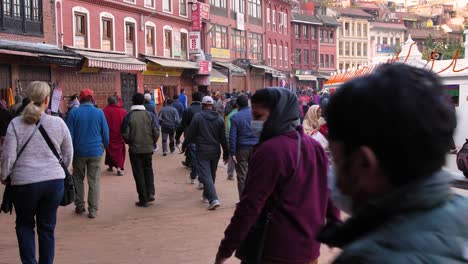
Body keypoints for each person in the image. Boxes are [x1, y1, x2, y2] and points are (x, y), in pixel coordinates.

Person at [317, 64, 468, 263]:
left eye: (336, 160)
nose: (333, 173)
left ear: (364, 163)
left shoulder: (365, 258)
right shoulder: (461, 213)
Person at [215, 88, 337, 264]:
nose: (254, 123)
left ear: (278, 114)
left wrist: (225, 249)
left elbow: (249, 206)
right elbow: (329, 189)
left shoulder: (269, 151)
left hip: (275, 250)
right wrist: (334, 222)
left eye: (259, 116)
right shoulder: (314, 146)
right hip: (309, 249)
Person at [1, 81, 73, 264]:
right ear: (47, 100)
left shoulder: (15, 124)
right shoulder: (58, 123)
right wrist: (59, 170)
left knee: (25, 225)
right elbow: (68, 153)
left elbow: (8, 155)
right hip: (54, 183)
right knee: (47, 228)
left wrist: (4, 175)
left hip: (24, 184)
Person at [66, 88, 109, 219]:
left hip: (79, 152)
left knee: (78, 178)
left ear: (81, 98)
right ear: (92, 98)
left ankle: (79, 206)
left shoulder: (73, 113)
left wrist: (70, 152)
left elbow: (69, 136)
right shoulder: (99, 113)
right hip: (96, 151)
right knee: (94, 180)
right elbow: (105, 134)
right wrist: (103, 147)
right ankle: (93, 210)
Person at [182, 96, 228, 210]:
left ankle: (213, 199)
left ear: (202, 105)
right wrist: (226, 153)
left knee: (206, 175)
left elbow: (191, 134)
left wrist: (184, 145)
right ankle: (206, 195)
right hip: (215, 151)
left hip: (202, 150)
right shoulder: (219, 119)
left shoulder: (198, 117)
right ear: (212, 105)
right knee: (211, 174)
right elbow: (223, 139)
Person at [121, 93, 160, 207]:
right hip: (148, 148)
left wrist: (130, 141)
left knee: (139, 173)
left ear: (132, 102)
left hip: (135, 149)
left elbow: (124, 133)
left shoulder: (129, 116)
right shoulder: (150, 115)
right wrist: (152, 142)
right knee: (148, 170)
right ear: (143, 101)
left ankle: (143, 198)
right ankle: (150, 193)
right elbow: (156, 131)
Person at [229, 94, 259, 198]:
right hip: (256, 148)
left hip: (241, 149)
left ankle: (243, 199)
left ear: (237, 105)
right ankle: (254, 197)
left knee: (242, 175)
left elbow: (232, 136)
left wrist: (232, 152)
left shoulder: (235, 117)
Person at [176, 91, 203, 184]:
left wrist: (177, 137)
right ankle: (201, 180)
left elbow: (182, 125)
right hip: (205, 138)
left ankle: (194, 175)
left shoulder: (188, 110)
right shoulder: (205, 109)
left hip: (191, 138)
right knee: (203, 160)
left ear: (192, 98)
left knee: (195, 158)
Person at [103, 96, 127, 176]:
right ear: (116, 102)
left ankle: (111, 166)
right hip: (119, 135)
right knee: (120, 153)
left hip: (108, 136)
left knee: (109, 151)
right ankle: (119, 169)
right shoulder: (122, 111)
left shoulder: (104, 111)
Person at [225, 99, 238, 181]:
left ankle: (230, 174)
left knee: (231, 157)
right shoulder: (242, 114)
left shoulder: (229, 116)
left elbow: (228, 130)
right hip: (242, 140)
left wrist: (227, 140)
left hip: (232, 139)